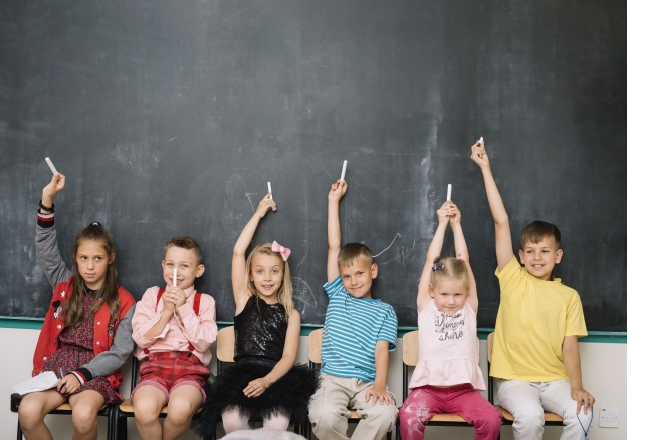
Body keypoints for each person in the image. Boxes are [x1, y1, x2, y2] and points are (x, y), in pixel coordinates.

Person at [470, 139, 595, 440]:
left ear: (558, 256)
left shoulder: (569, 297)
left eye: (545, 251)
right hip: (515, 382)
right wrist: (485, 168)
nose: (538, 257)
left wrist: (577, 386)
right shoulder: (513, 278)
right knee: (529, 416)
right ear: (521, 256)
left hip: (555, 381)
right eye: (530, 251)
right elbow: (501, 221)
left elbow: (570, 347)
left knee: (583, 413)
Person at [18, 173, 136, 440]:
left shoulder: (125, 301)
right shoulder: (64, 284)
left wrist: (81, 374)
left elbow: (119, 354)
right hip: (56, 368)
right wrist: (47, 199)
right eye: (83, 258)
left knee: (83, 415)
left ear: (110, 258)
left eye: (97, 258)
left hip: (95, 372)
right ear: (75, 258)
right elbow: (45, 247)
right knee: (27, 410)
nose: (90, 266)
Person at [197, 194, 317, 439]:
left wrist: (267, 381)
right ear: (250, 276)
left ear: (283, 274)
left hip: (276, 376)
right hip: (242, 374)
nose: (268, 278)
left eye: (274, 271)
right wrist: (259, 213)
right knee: (232, 420)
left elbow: (288, 357)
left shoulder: (291, 314)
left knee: (278, 423)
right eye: (260, 271)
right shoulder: (244, 300)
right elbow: (238, 252)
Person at [398, 199, 502, 440]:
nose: (452, 301)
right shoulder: (426, 307)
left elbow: (463, 260)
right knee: (408, 417)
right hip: (428, 391)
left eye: (458, 294)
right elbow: (430, 260)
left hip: (463, 392)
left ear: (466, 293)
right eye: (444, 294)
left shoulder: (469, 309)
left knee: (491, 420)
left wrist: (457, 225)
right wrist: (442, 223)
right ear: (432, 291)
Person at [308, 179, 398, 440]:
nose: (353, 281)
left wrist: (380, 385)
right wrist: (332, 202)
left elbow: (381, 350)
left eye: (360, 273)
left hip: (367, 382)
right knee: (324, 416)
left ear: (373, 271)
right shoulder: (338, 294)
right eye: (347, 276)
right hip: (332, 380)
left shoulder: (385, 311)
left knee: (386, 413)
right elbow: (334, 246)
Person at [131, 236, 217, 440]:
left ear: (198, 270)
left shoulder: (205, 302)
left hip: (190, 372)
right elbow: (140, 339)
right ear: (163, 265)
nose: (175, 271)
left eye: (184, 266)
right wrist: (166, 312)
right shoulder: (152, 296)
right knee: (144, 409)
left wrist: (183, 308)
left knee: (180, 409)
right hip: (154, 370)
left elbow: (204, 342)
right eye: (170, 264)